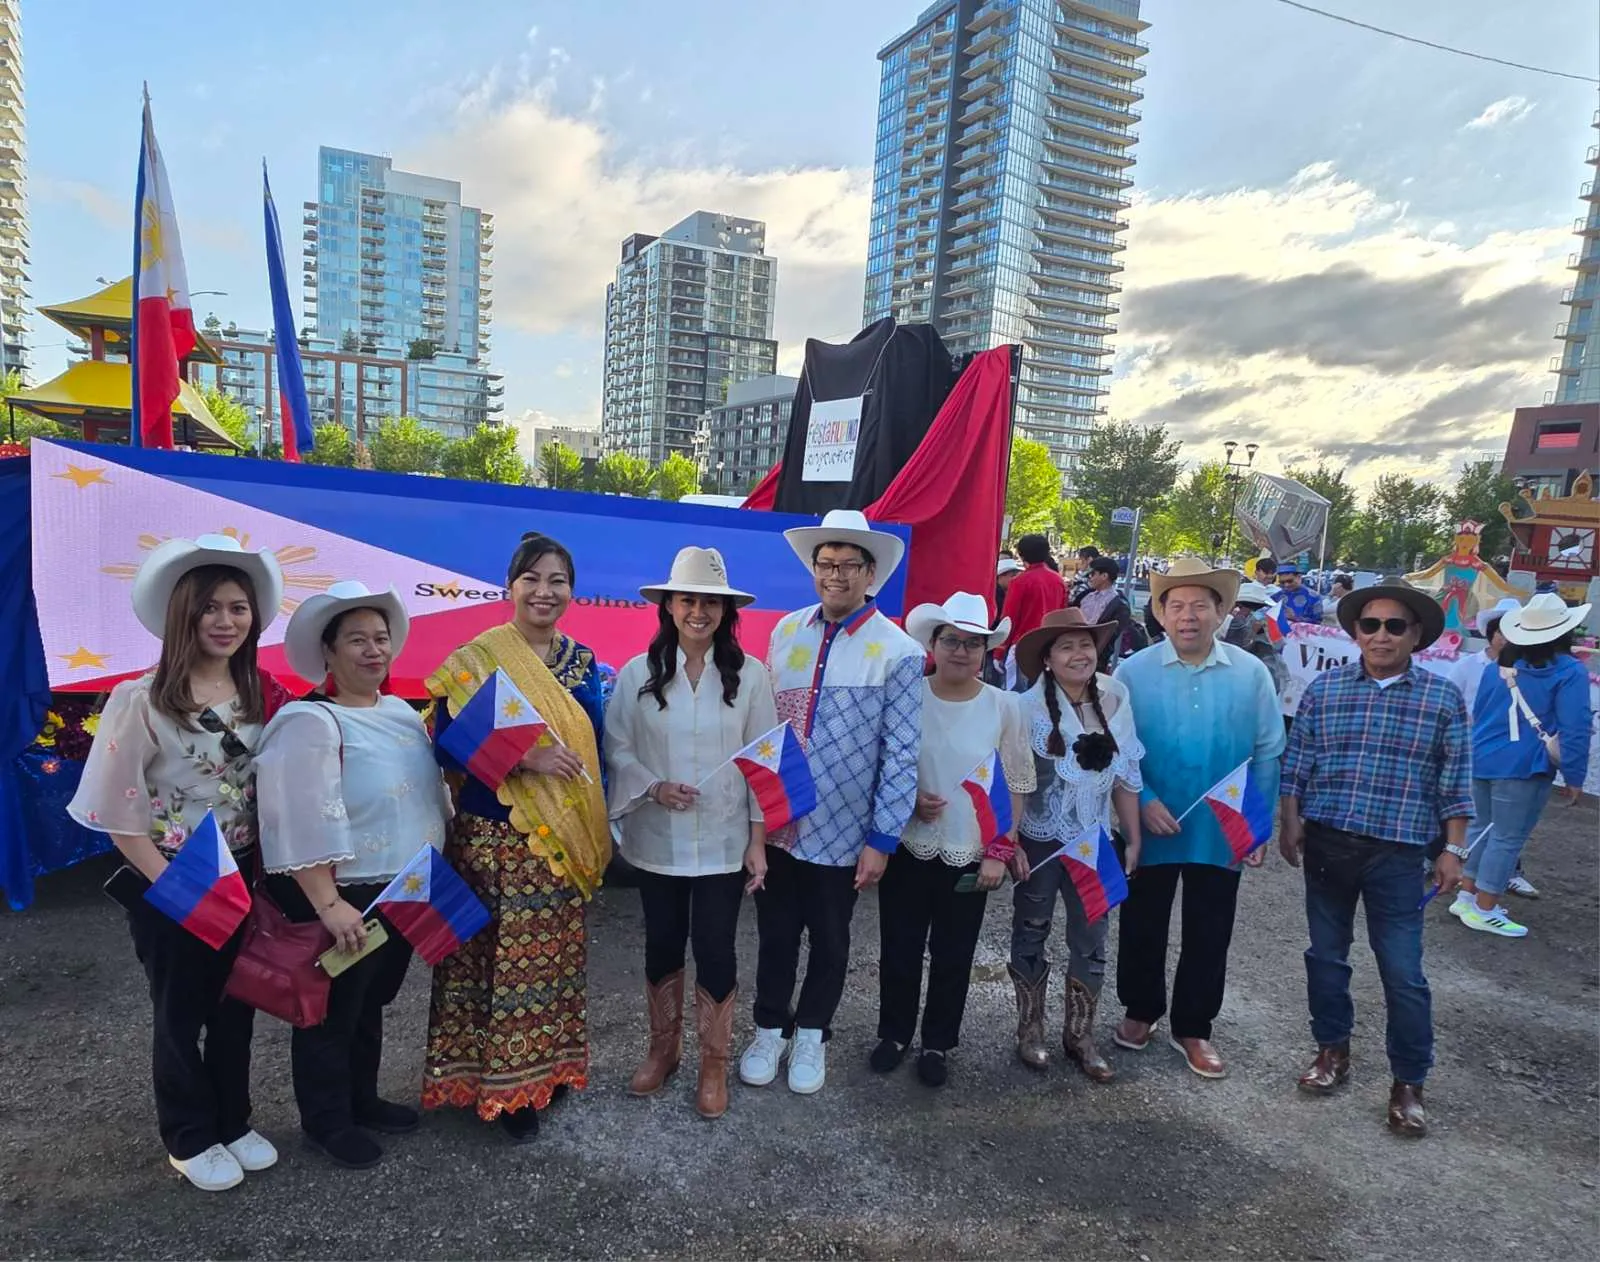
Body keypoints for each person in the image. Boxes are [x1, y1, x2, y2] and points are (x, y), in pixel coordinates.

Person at [67, 535, 286, 1192]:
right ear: (180, 614)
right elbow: (117, 811)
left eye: (238, 607)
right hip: (171, 876)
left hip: (247, 872)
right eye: (209, 608)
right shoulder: (142, 699)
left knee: (237, 1003)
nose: (225, 621)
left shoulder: (260, 690)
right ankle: (188, 1135)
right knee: (180, 1008)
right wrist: (174, 889)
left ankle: (233, 1119)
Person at [254, 582, 451, 1169]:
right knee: (332, 1010)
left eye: (381, 639)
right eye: (357, 640)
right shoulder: (308, 722)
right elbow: (296, 814)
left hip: (406, 885)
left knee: (372, 1001)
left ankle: (362, 1099)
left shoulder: (400, 714)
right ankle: (327, 1120)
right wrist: (327, 902)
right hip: (348, 893)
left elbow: (429, 792)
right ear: (329, 652)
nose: (373, 651)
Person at [423, 532, 611, 1144]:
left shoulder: (582, 664)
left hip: (560, 843)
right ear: (510, 587)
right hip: (494, 842)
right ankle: (502, 1092)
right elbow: (446, 735)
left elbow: (594, 745)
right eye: (532, 578)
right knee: (493, 969)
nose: (544, 591)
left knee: (549, 969)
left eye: (557, 580)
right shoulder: (481, 657)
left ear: (571, 592)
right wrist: (528, 759)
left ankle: (545, 1071)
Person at [740, 509, 924, 1096]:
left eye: (849, 565)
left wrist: (882, 839)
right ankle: (770, 1026)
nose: (836, 575)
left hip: (846, 833)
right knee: (773, 934)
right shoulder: (786, 632)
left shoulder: (898, 650)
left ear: (871, 574)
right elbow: (766, 728)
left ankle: (813, 1032)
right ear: (813, 570)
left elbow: (902, 752)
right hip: (781, 822)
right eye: (826, 564)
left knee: (832, 938)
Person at [1278, 584, 1472, 1137]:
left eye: (1394, 626)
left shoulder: (1442, 699)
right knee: (1326, 958)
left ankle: (1408, 1081)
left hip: (1400, 852)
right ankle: (1332, 1051)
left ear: (1415, 636)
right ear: (1355, 632)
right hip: (1329, 844)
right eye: (1370, 625)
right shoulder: (1325, 691)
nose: (1380, 635)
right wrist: (1290, 821)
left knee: (1404, 973)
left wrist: (1453, 849)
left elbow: (1454, 781)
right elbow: (1298, 763)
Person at [603, 547, 777, 1119]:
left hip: (725, 842)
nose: (698, 611)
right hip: (659, 840)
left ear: (727, 610)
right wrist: (653, 787)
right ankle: (663, 1048)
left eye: (710, 601)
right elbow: (618, 748)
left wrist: (757, 840)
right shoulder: (637, 674)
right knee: (660, 944)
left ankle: (712, 1063)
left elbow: (763, 760)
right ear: (669, 607)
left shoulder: (751, 678)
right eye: (688, 599)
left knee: (716, 948)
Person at [1112, 559, 1284, 1079]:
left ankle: (1194, 1026)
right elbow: (1118, 748)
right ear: (1160, 614)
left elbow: (1269, 751)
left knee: (1210, 929)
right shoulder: (1131, 672)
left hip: (1220, 827)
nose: (1189, 617)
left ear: (1223, 612)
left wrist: (1258, 825)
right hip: (1151, 823)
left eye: (1201, 606)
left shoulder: (1251, 672)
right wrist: (1143, 802)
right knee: (1142, 923)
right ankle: (1140, 1010)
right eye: (1177, 606)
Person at [873, 593, 1031, 1089]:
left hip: (970, 850)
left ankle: (938, 1041)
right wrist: (907, 799)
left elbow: (1018, 782)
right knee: (899, 946)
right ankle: (894, 1033)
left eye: (973, 644)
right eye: (952, 641)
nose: (961, 651)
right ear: (933, 644)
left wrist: (999, 852)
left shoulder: (1004, 706)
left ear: (986, 651)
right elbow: (884, 765)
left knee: (954, 952)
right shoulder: (907, 697)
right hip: (909, 844)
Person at [1009, 609, 1143, 1082]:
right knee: (1031, 927)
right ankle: (1031, 1030)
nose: (1078, 654)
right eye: (1065, 646)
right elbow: (1017, 782)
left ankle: (1080, 1034)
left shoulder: (1116, 698)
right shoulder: (1025, 709)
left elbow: (1126, 776)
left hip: (1094, 839)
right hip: (1041, 838)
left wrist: (1132, 838)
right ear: (1047, 658)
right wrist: (1010, 842)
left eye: (1085, 645)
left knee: (1093, 938)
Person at [1452, 593, 1592, 937]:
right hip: (1524, 765)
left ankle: (1468, 894)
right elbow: (1575, 727)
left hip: (1483, 757)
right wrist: (1574, 775)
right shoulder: (1569, 671)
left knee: (1483, 826)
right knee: (1507, 837)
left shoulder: (1495, 667)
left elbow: (1481, 713)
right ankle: (1486, 906)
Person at [999, 534, 1069, 689]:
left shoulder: (1020, 581)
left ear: (1022, 555)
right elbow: (1062, 613)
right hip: (1050, 646)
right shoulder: (1058, 581)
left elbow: (1009, 619)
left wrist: (1000, 650)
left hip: (1022, 646)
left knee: (1016, 696)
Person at [1225, 581, 1290, 698]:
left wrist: (1261, 630)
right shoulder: (1230, 621)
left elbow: (1279, 644)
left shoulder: (1269, 618)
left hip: (1266, 671)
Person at [1073, 556, 1133, 670]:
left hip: (1096, 658)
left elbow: (1110, 635)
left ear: (1104, 576)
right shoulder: (1085, 596)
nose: (1090, 578)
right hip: (1075, 649)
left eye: (1093, 574)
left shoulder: (1119, 605)